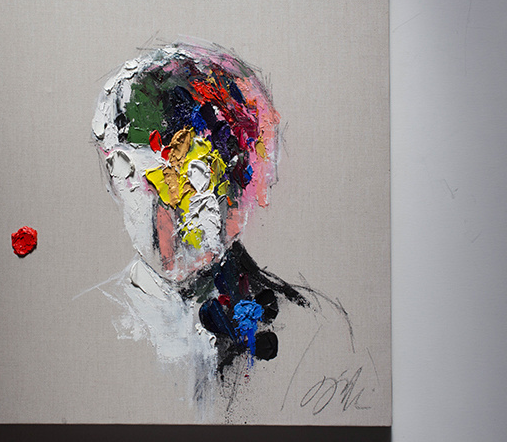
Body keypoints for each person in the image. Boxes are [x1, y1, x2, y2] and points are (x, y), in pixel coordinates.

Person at [89, 41, 373, 423]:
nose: (163, 212)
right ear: (111, 175)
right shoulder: (89, 327)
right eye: (127, 171)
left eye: (194, 174)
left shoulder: (311, 328)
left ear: (237, 182)